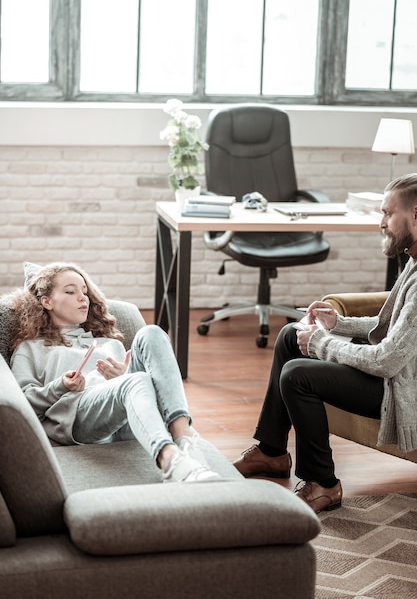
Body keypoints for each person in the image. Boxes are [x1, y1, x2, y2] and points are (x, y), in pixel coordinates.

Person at [233, 173, 417, 513]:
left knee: (297, 375)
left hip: (404, 392)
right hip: (395, 376)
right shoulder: (413, 260)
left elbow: (386, 361)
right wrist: (338, 323)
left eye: (388, 213)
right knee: (291, 335)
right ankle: (272, 452)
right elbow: (386, 327)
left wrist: (321, 343)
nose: (381, 223)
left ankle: (324, 484)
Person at [8, 262, 219, 483]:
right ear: (47, 301)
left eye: (85, 291)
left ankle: (185, 440)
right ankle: (170, 460)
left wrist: (123, 375)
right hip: (78, 418)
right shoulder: (31, 347)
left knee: (152, 333)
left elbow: (141, 389)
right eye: (71, 291)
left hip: (124, 421)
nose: (83, 298)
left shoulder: (109, 343)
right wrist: (61, 386)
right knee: (135, 380)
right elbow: (22, 403)